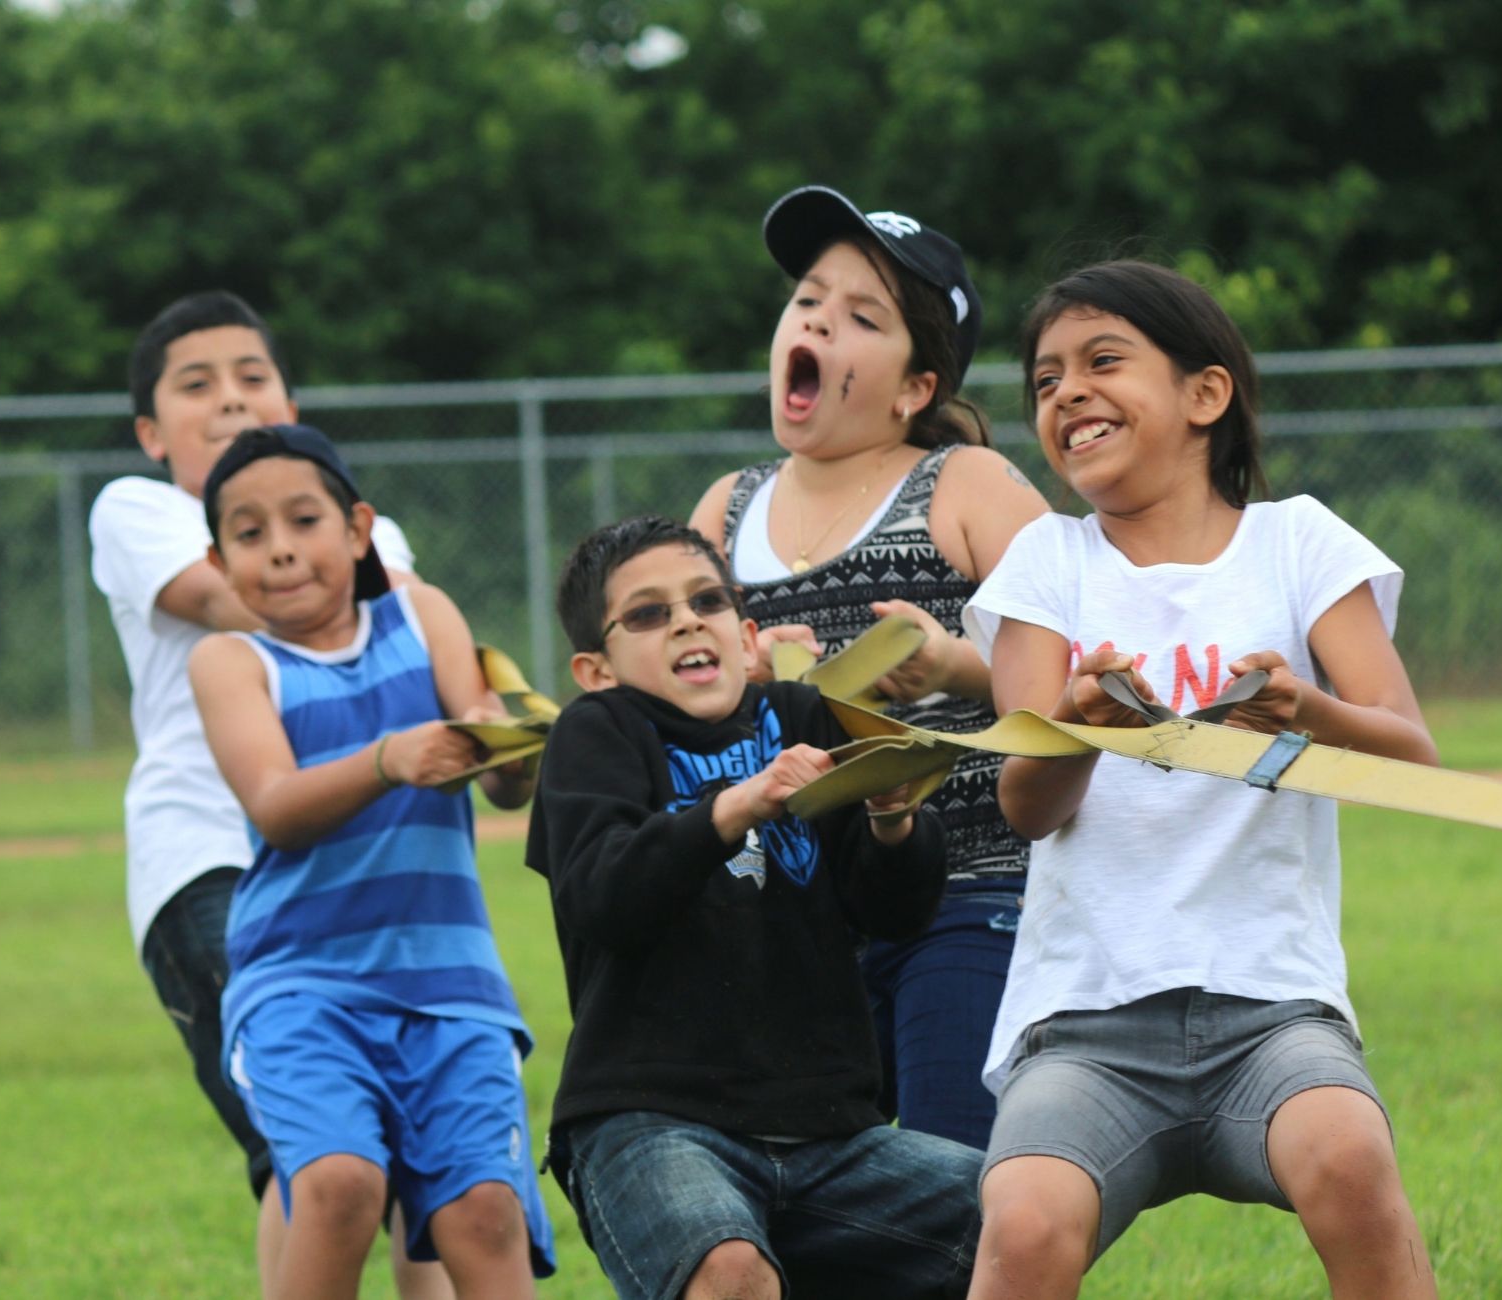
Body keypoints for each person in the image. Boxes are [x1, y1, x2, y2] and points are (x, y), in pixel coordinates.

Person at [961, 260, 1439, 1298]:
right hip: (1084, 1024)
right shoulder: (1046, 565)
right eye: (1043, 381)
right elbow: (1024, 806)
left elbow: (1411, 759)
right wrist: (1078, 729)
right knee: (1024, 1221)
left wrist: (1304, 710)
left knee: (1349, 1156)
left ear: (1204, 394)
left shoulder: (1298, 542)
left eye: (1100, 361)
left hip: (1272, 1010)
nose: (1064, 394)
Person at [89, 290, 451, 1298]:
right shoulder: (141, 511)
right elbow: (244, 600)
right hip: (208, 860)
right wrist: (327, 564)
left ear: (291, 399)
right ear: (152, 431)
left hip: (365, 867)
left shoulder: (384, 535)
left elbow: (418, 640)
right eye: (196, 386)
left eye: (253, 377)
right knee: (317, 1140)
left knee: (417, 1147)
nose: (232, 399)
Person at [529, 513, 986, 1300]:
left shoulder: (805, 718)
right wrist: (738, 807)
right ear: (595, 667)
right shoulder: (594, 733)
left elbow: (896, 914)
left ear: (745, 636)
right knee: (727, 1269)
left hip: (832, 1136)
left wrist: (891, 817)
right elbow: (603, 896)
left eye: (704, 601)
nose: (683, 622)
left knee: (1024, 1212)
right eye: (647, 614)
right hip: (652, 1122)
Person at [688, 185, 1049, 1150]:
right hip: (797, 907)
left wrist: (953, 666)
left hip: (969, 891)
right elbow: (677, 709)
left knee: (953, 1184)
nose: (816, 321)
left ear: (914, 389)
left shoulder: (964, 484)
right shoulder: (724, 508)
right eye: (808, 300)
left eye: (861, 316)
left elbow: (1080, 668)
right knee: (815, 1201)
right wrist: (733, 689)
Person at [188, 424, 556, 1300]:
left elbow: (498, 779)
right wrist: (388, 758)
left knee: (484, 1212)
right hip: (301, 987)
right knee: (339, 1184)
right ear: (219, 560)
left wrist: (525, 750)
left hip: (452, 986)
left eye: (303, 520)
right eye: (249, 534)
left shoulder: (422, 612)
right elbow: (275, 807)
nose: (279, 549)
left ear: (357, 529)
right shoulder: (231, 661)